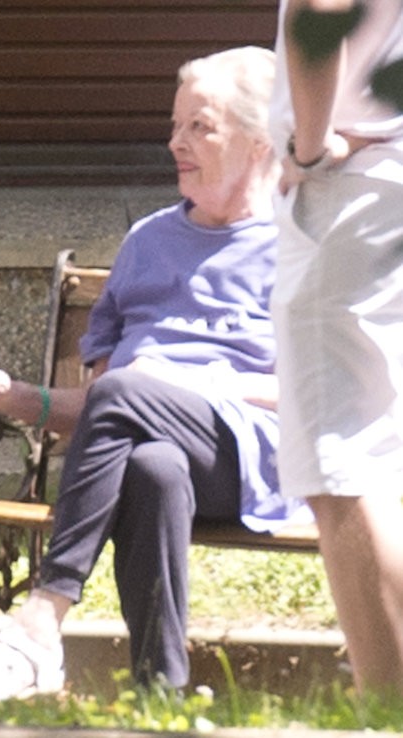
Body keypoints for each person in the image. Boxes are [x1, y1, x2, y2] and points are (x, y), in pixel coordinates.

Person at [0, 46, 311, 699]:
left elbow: (314, 394)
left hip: (249, 460)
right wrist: (6, 391)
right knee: (151, 468)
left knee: (132, 390)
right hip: (160, 443)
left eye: (200, 126)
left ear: (259, 144)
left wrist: (189, 383)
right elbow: (102, 409)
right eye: (175, 125)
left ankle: (42, 621)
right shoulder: (148, 243)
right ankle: (159, 694)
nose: (175, 143)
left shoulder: (299, 247)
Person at [269, 0, 403, 696]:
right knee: (374, 460)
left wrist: (310, 148)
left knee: (344, 468)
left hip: (349, 188)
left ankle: (389, 710)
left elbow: (321, 12)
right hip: (384, 189)